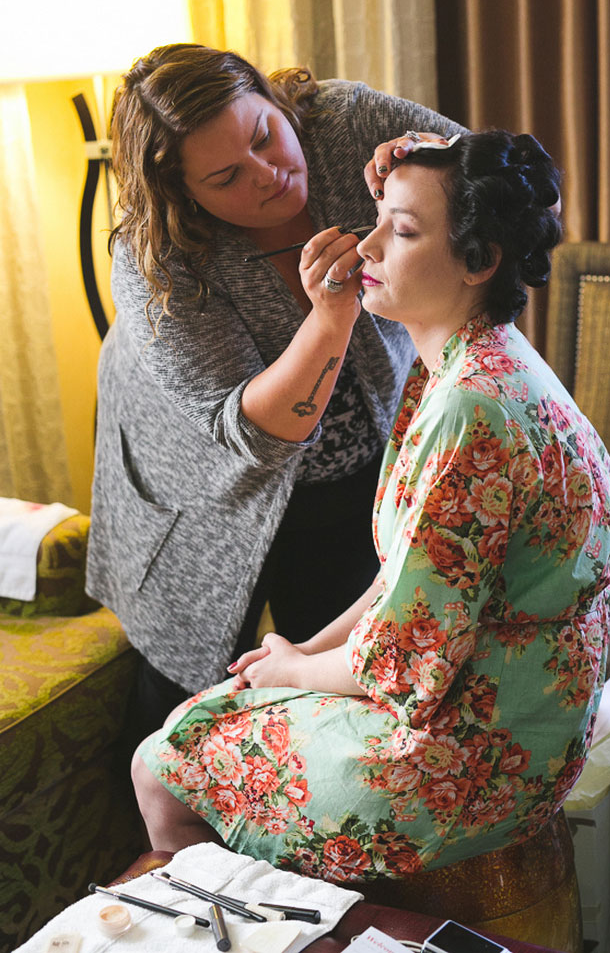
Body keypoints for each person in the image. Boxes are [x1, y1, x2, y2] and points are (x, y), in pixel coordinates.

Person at [131, 130, 610, 879]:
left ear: (479, 260)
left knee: (161, 758)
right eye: (376, 222)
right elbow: (406, 584)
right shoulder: (473, 363)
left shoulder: (472, 409)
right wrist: (296, 655)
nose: (365, 248)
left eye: (400, 231)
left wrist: (295, 673)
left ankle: (255, 925)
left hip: (473, 756)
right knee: (209, 712)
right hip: (505, 708)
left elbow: (406, 655)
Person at [85, 44, 467, 745]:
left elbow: (510, 196)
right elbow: (256, 435)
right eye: (227, 176)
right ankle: (163, 841)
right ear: (183, 194)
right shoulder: (156, 258)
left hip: (352, 454)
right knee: (184, 686)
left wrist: (434, 164)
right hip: (198, 475)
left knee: (328, 676)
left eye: (264, 136)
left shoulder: (345, 122)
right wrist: (329, 318)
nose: (269, 175)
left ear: (272, 99)